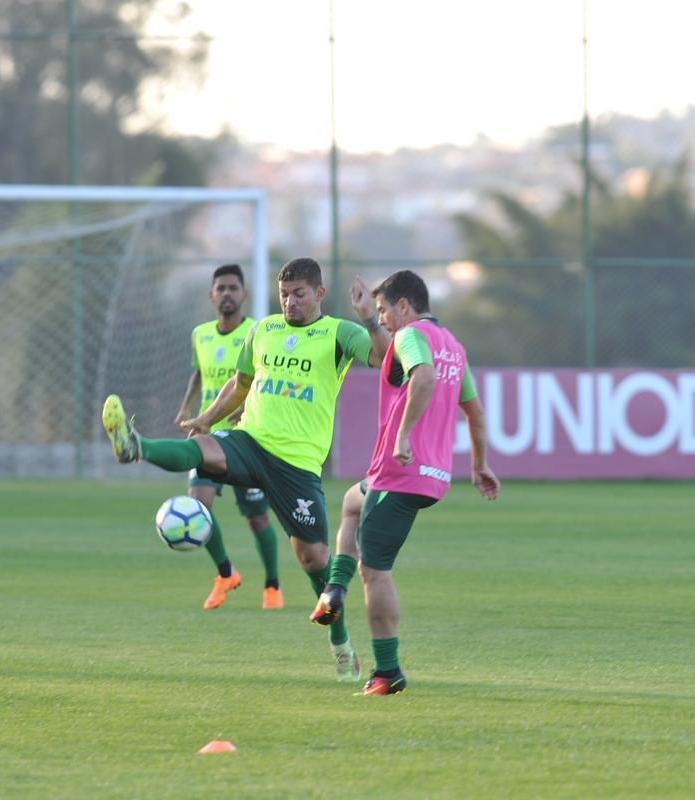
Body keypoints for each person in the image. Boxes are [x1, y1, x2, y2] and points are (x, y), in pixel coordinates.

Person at [102, 257, 388, 681]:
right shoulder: (263, 329)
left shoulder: (339, 333)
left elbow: (385, 359)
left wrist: (368, 318)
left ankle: (341, 644)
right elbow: (241, 384)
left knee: (313, 560)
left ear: (319, 294)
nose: (290, 302)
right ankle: (134, 446)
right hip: (251, 440)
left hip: (297, 463)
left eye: (299, 294)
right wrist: (208, 418)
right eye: (284, 294)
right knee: (201, 448)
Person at [307, 269, 499, 696]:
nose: (384, 320)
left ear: (404, 307)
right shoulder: (454, 346)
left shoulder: (412, 337)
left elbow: (423, 378)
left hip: (401, 470)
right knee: (352, 503)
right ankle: (334, 592)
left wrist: (403, 435)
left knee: (375, 572)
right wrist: (480, 465)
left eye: (383, 311)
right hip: (428, 475)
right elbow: (476, 412)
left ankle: (387, 671)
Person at [173, 264, 283, 611]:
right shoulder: (200, 334)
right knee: (198, 507)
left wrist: (247, 405)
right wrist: (186, 406)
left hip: (245, 435)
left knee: (257, 517)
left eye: (233, 288)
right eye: (220, 288)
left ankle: (272, 585)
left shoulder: (258, 332)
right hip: (207, 435)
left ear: (244, 294)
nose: (226, 294)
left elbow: (268, 376)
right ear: (211, 296)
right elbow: (198, 373)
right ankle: (225, 573)